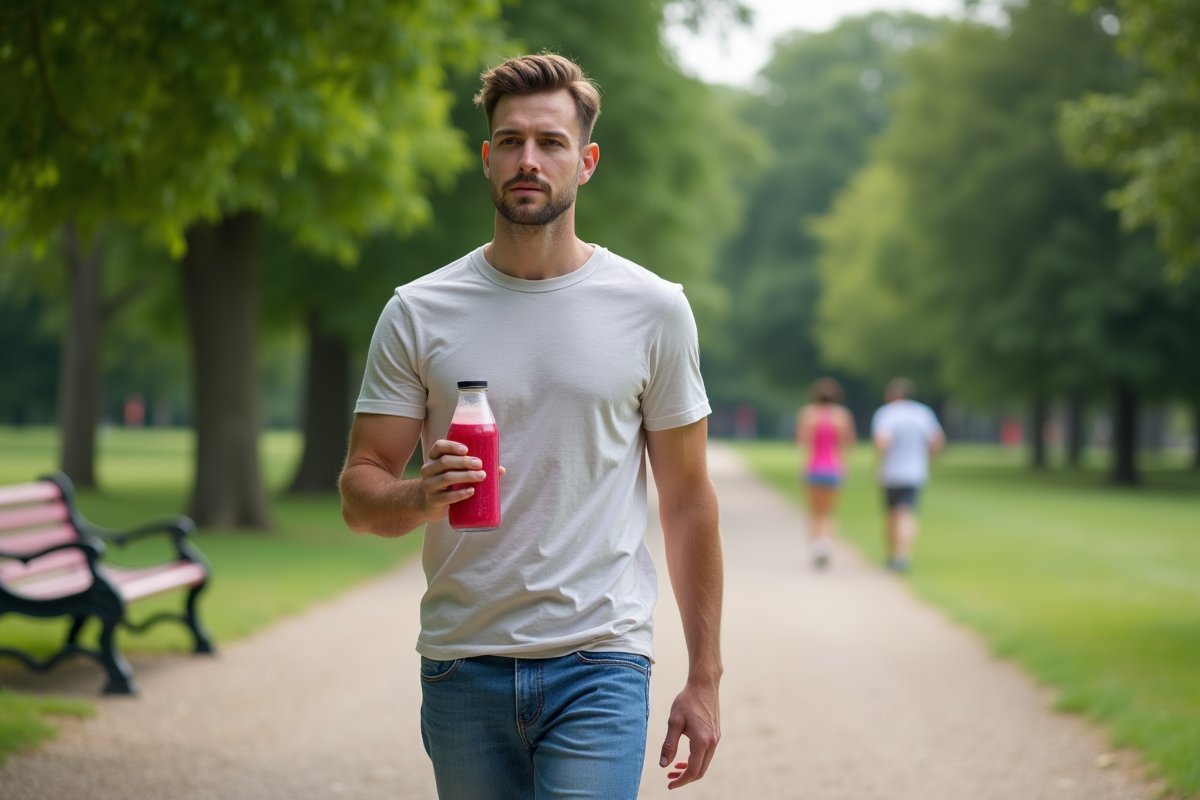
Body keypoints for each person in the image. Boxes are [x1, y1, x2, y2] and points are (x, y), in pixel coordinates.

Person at [338, 54, 723, 799]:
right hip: (462, 661)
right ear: (486, 159)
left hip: (600, 659)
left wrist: (704, 677)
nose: (528, 159)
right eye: (510, 141)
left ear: (587, 161)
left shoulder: (653, 308)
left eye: (550, 142)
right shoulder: (418, 311)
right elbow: (360, 492)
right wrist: (420, 497)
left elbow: (688, 502)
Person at [871, 377, 945, 573]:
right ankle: (903, 556)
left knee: (892, 515)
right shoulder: (923, 413)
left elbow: (881, 442)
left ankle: (893, 554)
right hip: (914, 473)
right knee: (907, 514)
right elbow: (937, 441)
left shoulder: (887, 414)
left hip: (891, 472)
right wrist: (929, 460)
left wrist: (880, 461)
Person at [795, 377, 855, 569]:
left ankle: (816, 547)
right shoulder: (842, 416)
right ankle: (826, 545)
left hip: (813, 467)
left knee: (814, 512)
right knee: (829, 512)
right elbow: (849, 444)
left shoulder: (807, 415)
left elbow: (802, 441)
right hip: (834, 468)